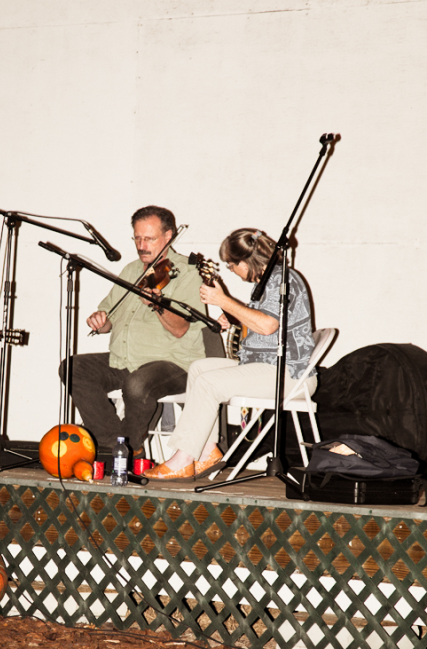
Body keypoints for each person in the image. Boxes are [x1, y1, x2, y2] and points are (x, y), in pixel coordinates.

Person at [144, 228, 316, 480]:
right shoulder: (270, 281)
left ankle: (182, 459)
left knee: (208, 382)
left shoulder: (281, 279)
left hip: (289, 374)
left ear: (246, 262)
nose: (231, 270)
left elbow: (269, 325)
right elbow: (266, 324)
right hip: (268, 366)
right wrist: (237, 315)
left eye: (231, 265)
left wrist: (224, 301)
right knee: (200, 368)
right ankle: (206, 451)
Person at [63, 206, 207, 455]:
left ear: (168, 236)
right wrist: (100, 321)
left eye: (149, 238)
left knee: (137, 384)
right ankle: (115, 444)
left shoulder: (187, 272)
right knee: (73, 368)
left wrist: (157, 305)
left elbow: (181, 329)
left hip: (172, 363)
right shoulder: (131, 270)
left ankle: (129, 446)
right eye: (137, 238)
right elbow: (109, 318)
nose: (141, 245)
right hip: (125, 360)